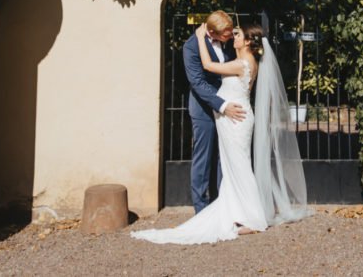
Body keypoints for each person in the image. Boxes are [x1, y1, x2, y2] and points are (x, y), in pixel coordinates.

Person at [131, 20, 311, 244]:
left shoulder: (242, 63)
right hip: (230, 118)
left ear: (247, 41)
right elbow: (203, 78)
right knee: (231, 165)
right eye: (232, 33)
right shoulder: (242, 60)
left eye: (237, 35)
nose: (232, 37)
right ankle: (236, 211)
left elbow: (208, 66)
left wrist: (199, 36)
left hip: (235, 119)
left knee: (239, 166)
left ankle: (253, 219)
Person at [180, 10, 245, 213]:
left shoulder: (225, 42)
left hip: (227, 107)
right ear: (212, 32)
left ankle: (222, 204)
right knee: (204, 157)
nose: (231, 36)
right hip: (204, 109)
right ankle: (201, 208)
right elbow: (197, 82)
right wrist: (223, 105)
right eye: (227, 33)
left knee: (223, 156)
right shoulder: (191, 46)